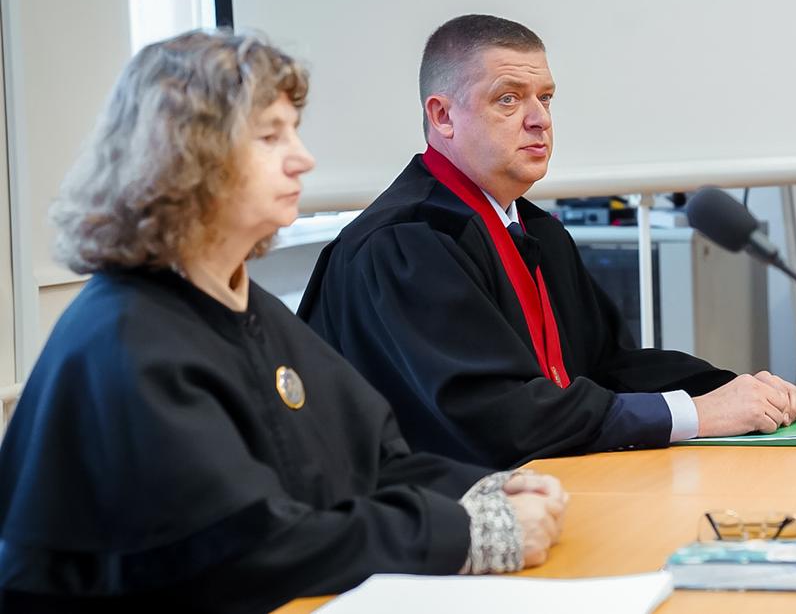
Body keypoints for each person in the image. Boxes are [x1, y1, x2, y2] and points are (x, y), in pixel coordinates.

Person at [0, 31, 566, 613]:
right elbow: (246, 549)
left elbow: (371, 463)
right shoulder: (128, 340)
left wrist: (485, 489)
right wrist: (470, 534)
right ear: (185, 157)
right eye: (271, 137)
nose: (303, 158)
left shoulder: (244, 307)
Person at [299, 14, 796, 469]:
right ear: (443, 116)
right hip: (434, 519)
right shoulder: (405, 244)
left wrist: (731, 388)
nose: (539, 119)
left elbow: (606, 366)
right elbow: (498, 418)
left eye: (544, 98)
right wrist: (695, 413)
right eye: (508, 99)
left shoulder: (534, 228)